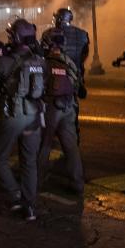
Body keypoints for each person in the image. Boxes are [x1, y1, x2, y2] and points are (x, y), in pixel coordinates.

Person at [0, 19, 46, 221]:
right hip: (34, 116)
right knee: (29, 162)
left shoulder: (5, 62)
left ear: (16, 38)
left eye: (10, 36)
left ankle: (14, 194)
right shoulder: (40, 62)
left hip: (12, 115)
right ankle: (30, 206)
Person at [38, 28, 85, 197]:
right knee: (71, 147)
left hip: (51, 107)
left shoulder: (43, 62)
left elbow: (38, 88)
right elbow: (78, 85)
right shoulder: (69, 62)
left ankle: (37, 181)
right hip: (69, 107)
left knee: (44, 144)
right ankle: (78, 184)